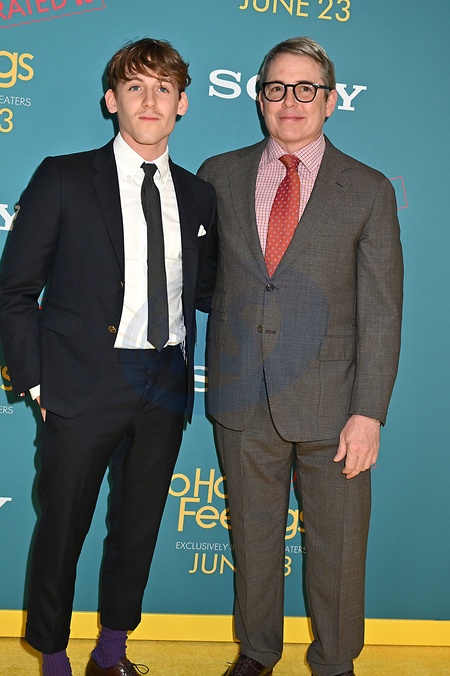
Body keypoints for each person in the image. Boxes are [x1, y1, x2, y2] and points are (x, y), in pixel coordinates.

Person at [0, 38, 215, 676]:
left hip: (164, 381)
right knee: (62, 527)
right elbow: (14, 291)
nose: (150, 100)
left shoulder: (198, 195)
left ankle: (111, 652)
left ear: (182, 104)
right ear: (111, 99)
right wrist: (37, 382)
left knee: (138, 527)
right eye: (135, 87)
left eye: (163, 88)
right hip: (81, 382)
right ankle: (53, 658)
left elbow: (206, 290)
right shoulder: (64, 177)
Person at [197, 37, 403, 676]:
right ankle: (257, 653)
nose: (291, 101)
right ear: (259, 98)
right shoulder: (217, 175)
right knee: (253, 540)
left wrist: (368, 413)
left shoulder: (368, 189)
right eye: (277, 88)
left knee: (339, 548)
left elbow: (382, 311)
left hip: (335, 405)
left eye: (306, 88)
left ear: (331, 100)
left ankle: (335, 662)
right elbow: (202, 280)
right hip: (243, 396)